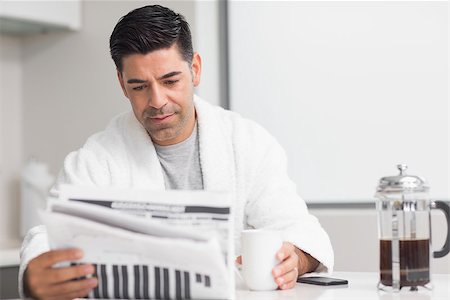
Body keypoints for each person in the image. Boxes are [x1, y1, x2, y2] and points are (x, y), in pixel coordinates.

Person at [19, 4, 334, 299]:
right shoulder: (97, 159)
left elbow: (299, 229)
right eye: (140, 86)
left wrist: (298, 258)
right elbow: (49, 235)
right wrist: (34, 275)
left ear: (195, 69)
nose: (157, 100)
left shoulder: (247, 143)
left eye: (170, 80)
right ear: (122, 83)